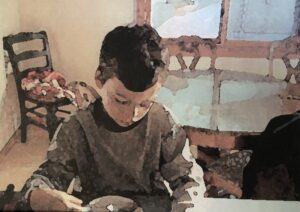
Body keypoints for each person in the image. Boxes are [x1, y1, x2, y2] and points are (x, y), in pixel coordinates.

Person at [19, 24, 203, 211]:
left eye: (145, 104)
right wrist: (40, 196)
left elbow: (188, 181)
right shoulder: (78, 126)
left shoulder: (162, 122)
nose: (131, 115)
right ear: (99, 78)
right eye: (121, 101)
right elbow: (46, 178)